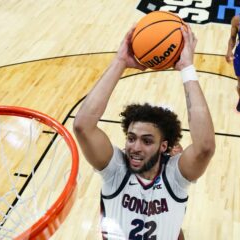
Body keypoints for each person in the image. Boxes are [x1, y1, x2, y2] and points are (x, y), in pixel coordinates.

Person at [73, 24, 215, 240]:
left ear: (164, 146)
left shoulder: (174, 176)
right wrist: (120, 62)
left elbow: (205, 147)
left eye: (147, 141)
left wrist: (187, 68)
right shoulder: (116, 170)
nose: (135, 148)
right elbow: (82, 126)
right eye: (131, 138)